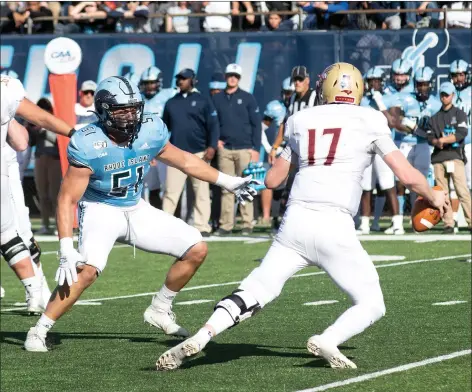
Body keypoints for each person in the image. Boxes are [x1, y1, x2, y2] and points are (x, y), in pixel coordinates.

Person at [156, 62, 449, 371]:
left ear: (324, 89)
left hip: (294, 221)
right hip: (334, 224)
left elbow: (272, 181)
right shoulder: (370, 118)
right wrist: (433, 195)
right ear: (358, 89)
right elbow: (405, 173)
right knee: (372, 303)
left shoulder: (300, 119)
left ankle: (203, 335)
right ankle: (330, 338)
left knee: (256, 289)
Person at [24, 76, 258, 352]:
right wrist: (65, 248)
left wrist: (228, 181)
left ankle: (159, 308)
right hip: (101, 208)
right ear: (103, 111)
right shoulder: (88, 142)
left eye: (133, 108)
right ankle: (38, 331)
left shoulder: (151, 129)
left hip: (136, 207)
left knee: (196, 248)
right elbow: (66, 199)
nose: (130, 115)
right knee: (84, 272)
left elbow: (183, 160)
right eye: (121, 109)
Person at [1, 74, 75, 314]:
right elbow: (25, 137)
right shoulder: (6, 88)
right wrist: (73, 133)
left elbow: (22, 141)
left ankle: (37, 290)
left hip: (7, 168)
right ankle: (36, 291)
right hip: (4, 169)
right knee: (13, 233)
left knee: (15, 233)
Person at [162, 69, 219, 236]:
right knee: (171, 192)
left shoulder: (203, 100)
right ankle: (165, 227)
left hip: (199, 153)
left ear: (193, 80)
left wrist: (212, 146)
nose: (180, 81)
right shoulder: (171, 103)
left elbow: (213, 126)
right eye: (179, 78)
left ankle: (202, 226)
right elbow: (165, 129)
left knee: (201, 192)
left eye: (184, 78)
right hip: (176, 155)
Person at [212, 63, 261, 235]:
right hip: (225, 149)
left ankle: (248, 223)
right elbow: (213, 123)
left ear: (239, 79)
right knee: (227, 188)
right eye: (230, 75)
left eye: (236, 76)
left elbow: (256, 125)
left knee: (245, 186)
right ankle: (226, 225)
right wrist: (215, 140)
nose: (233, 78)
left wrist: (255, 148)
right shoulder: (217, 99)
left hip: (244, 149)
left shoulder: (248, 98)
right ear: (226, 77)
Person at [390, 66, 442, 226]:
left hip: (423, 145)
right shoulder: (405, 98)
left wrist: (425, 130)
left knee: (422, 182)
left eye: (425, 84)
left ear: (430, 84)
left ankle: (418, 215)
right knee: (399, 181)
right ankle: (398, 221)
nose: (422, 87)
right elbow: (396, 120)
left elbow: (437, 126)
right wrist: (413, 128)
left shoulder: (435, 103)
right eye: (419, 84)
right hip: (404, 142)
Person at [357, 66, 401, 235]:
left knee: (387, 183)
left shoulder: (390, 97)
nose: (373, 84)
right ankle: (365, 224)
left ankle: (397, 222)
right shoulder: (363, 100)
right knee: (365, 185)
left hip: (383, 144)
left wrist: (380, 102)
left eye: (376, 81)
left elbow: (392, 121)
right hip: (365, 145)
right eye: (370, 81)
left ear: (382, 82)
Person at [426, 81, 471, 232]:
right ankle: (448, 223)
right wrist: (436, 141)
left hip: (455, 156)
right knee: (443, 194)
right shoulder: (435, 117)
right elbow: (429, 136)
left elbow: (461, 133)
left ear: (453, 95)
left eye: (447, 95)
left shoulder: (459, 113)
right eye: (442, 95)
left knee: (462, 191)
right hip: (439, 158)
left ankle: (470, 221)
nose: (444, 97)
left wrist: (443, 140)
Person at [139, 66, 177, 209]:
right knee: (150, 186)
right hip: (144, 150)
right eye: (147, 83)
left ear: (159, 82)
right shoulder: (139, 99)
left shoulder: (169, 96)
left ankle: (176, 218)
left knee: (169, 187)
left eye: (152, 83)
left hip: (165, 148)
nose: (149, 86)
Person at [28, 98, 63, 235]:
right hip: (40, 159)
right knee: (42, 194)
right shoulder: (36, 121)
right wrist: (31, 130)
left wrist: (43, 129)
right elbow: (31, 143)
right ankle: (45, 224)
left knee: (55, 194)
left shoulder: (54, 120)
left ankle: (58, 225)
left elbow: (57, 140)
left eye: (45, 109)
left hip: (55, 160)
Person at [449, 59, 471, 190]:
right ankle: (454, 212)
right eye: (455, 75)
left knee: (470, 182)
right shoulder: (447, 93)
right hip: (452, 145)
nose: (458, 79)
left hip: (469, 143)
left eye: (461, 75)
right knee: (452, 185)